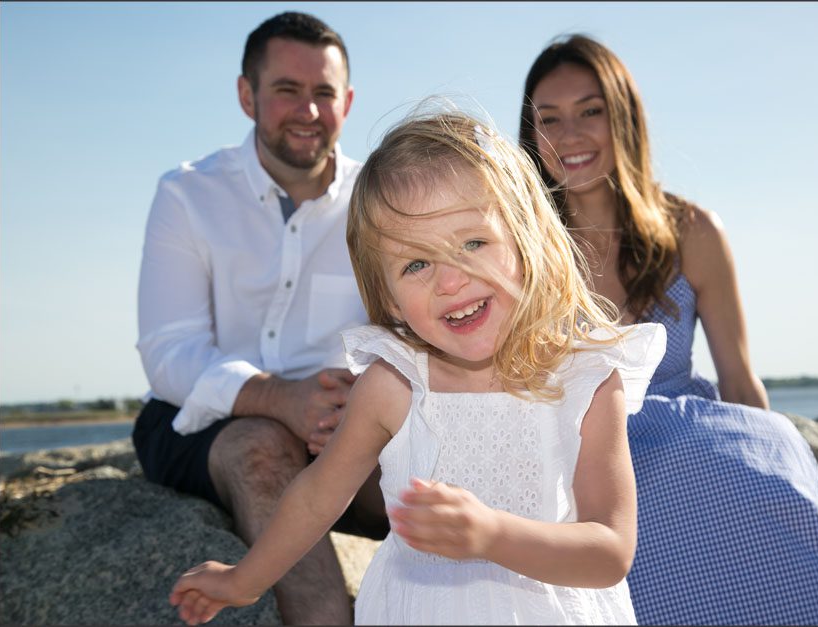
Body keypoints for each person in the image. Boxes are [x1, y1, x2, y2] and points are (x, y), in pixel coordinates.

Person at [167, 110, 667, 625]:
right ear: (389, 299)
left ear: (525, 238)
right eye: (416, 264)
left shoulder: (587, 381)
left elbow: (611, 551)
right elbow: (316, 498)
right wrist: (243, 581)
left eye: (473, 244)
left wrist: (492, 535)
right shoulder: (394, 385)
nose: (449, 281)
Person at [519, 34, 818, 626]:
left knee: (776, 466)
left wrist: (768, 459)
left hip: (685, 440)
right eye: (549, 119)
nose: (569, 136)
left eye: (590, 112)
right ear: (531, 135)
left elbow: (740, 382)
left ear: (624, 117)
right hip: (581, 450)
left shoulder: (692, 232)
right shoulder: (520, 249)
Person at [133, 12, 387, 625]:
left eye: (324, 92)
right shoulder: (187, 194)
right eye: (286, 90)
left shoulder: (380, 203)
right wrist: (280, 399)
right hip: (198, 420)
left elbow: (405, 333)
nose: (308, 110)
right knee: (262, 448)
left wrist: (355, 406)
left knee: (428, 475)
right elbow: (169, 352)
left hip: (336, 422)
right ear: (247, 95)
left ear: (348, 102)